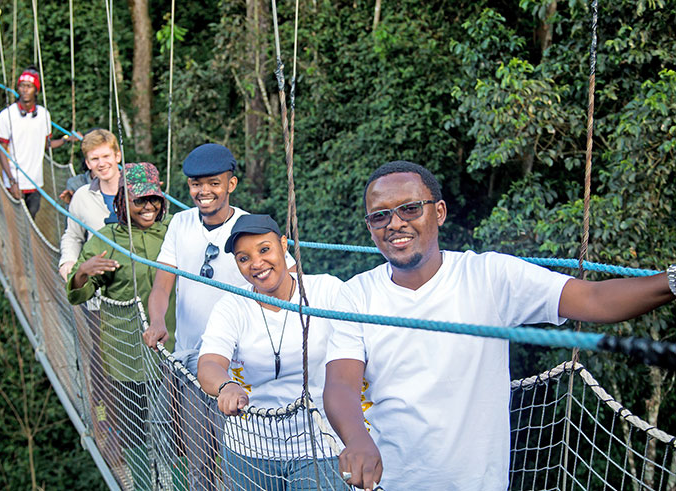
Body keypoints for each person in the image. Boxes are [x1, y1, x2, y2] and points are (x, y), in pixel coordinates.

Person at [323, 160, 676, 490]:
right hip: (390, 483)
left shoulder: (490, 276)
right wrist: (357, 440)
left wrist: (671, 281)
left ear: (440, 212)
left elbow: (595, 300)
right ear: (370, 228)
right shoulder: (357, 295)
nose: (395, 223)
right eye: (380, 216)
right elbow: (340, 384)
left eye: (410, 209)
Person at [142, 143, 294, 491]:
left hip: (241, 366)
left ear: (231, 184)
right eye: (196, 184)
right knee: (199, 462)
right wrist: (158, 321)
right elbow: (162, 285)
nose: (204, 191)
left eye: (213, 183)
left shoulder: (250, 228)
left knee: (239, 462)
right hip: (192, 363)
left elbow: (289, 282)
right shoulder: (180, 224)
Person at [198, 214, 344, 491]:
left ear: (283, 245)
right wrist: (226, 385)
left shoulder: (327, 290)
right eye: (243, 258)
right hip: (248, 450)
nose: (256, 264)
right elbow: (209, 364)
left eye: (265, 250)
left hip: (320, 445)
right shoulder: (232, 305)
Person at [66, 162, 176, 490]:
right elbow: (80, 293)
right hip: (126, 350)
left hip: (172, 347)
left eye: (154, 200)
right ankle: (143, 485)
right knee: (135, 427)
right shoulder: (108, 238)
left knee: (178, 429)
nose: (149, 207)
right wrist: (82, 271)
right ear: (121, 203)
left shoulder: (176, 228)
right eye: (140, 200)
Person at [0, 66, 73, 218]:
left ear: (36, 90)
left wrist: (66, 139)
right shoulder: (6, 116)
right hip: (14, 182)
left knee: (32, 220)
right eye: (22, 86)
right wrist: (12, 181)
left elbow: (46, 145)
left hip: (35, 181)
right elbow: (1, 150)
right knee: (14, 222)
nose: (24, 90)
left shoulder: (44, 115)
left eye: (29, 86)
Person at [58, 129, 122, 280]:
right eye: (94, 159)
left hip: (138, 281)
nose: (101, 164)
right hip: (98, 284)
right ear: (87, 163)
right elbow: (73, 235)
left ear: (117, 156)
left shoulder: (138, 190)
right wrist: (68, 260)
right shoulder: (81, 195)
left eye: (106, 156)